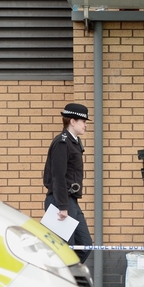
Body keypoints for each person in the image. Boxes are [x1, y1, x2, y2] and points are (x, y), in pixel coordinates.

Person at [43, 103, 93, 263]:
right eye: (83, 121)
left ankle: (70, 277)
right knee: (65, 249)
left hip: (71, 201)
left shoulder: (74, 142)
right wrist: (63, 206)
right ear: (72, 121)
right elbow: (58, 177)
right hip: (61, 202)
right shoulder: (62, 143)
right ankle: (61, 282)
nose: (85, 125)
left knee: (84, 245)